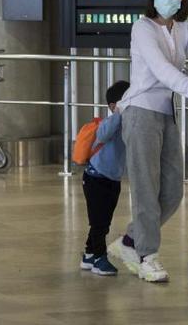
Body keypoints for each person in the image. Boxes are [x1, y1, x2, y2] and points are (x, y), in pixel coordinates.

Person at [106, 0, 188, 283]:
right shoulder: (142, 28)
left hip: (166, 113)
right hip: (140, 113)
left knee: (172, 191)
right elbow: (162, 70)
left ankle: (129, 241)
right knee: (146, 189)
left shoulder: (183, 27)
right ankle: (146, 255)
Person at [80, 81, 130, 276]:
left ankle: (90, 253)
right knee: (99, 221)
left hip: (112, 179)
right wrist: (118, 113)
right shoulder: (110, 122)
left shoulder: (126, 123)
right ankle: (100, 258)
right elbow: (102, 134)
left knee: (103, 220)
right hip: (95, 179)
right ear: (113, 105)